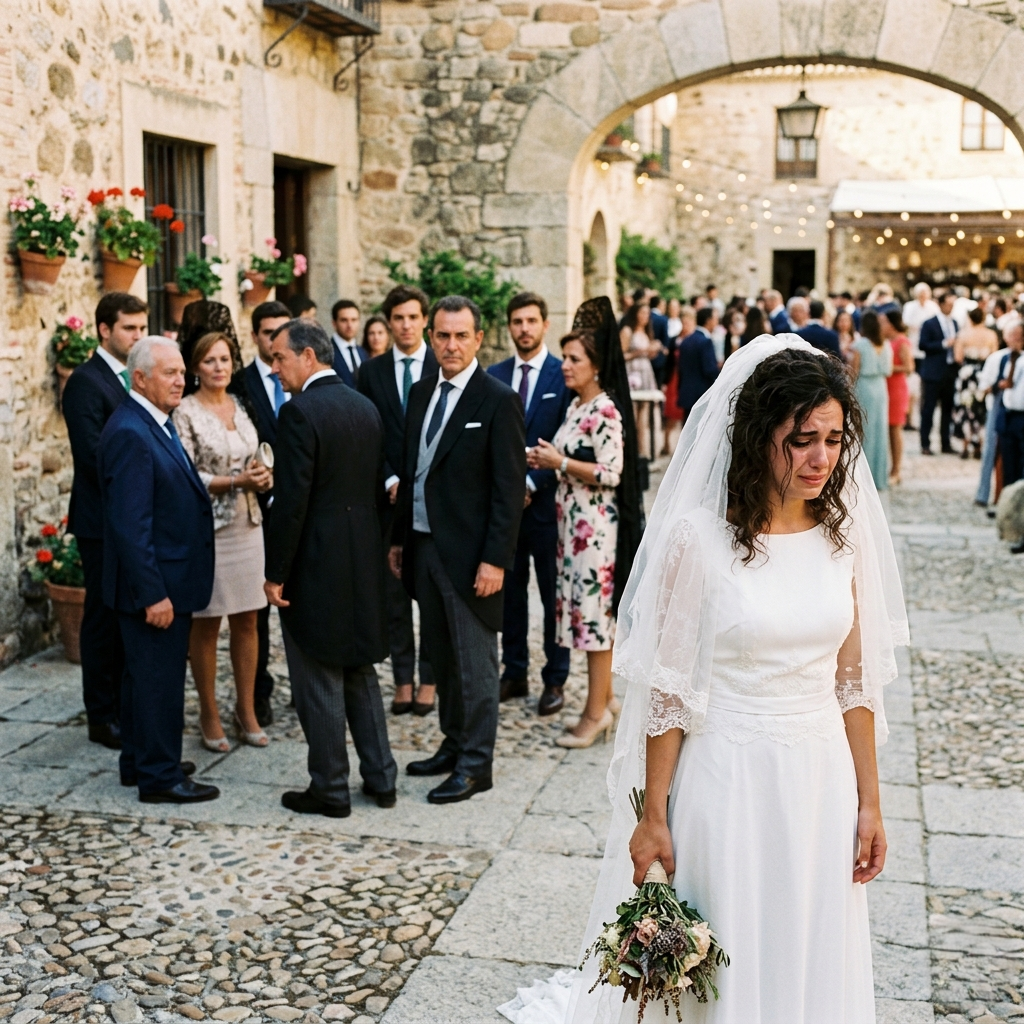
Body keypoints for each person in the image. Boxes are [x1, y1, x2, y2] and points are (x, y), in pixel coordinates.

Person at [558, 338, 907, 1024]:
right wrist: (653, 817)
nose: (822, 459)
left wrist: (870, 803)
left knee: (807, 947)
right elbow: (669, 695)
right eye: (802, 440)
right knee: (729, 958)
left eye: (834, 440)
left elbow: (855, 687)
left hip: (820, 782)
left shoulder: (843, 539)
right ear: (758, 437)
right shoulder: (698, 539)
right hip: (727, 782)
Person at [389, 296, 526, 804]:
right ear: (431, 337)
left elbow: (508, 489)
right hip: (424, 546)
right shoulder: (422, 392)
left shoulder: (497, 399)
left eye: (461, 336)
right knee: (441, 656)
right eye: (443, 335)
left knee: (475, 665)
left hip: (471, 557)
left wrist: (495, 560)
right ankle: (452, 742)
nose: (451, 345)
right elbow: (412, 471)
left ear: (478, 339)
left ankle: (476, 763)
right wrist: (399, 539)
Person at [265, 318, 397, 817]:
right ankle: (382, 778)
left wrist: (276, 572)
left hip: (316, 565)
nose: (275, 368)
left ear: (308, 356)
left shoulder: (299, 412)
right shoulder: (364, 406)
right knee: (359, 670)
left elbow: (291, 503)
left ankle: (330, 788)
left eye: (280, 358)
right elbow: (376, 492)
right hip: (361, 560)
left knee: (317, 676)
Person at [97, 337, 218, 804]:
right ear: (140, 378)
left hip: (166, 578)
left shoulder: (153, 422)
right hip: (154, 586)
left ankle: (140, 759)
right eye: (170, 372)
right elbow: (131, 525)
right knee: (158, 681)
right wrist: (153, 593)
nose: (181, 380)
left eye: (182, 371)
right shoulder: (131, 431)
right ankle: (160, 776)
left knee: (141, 679)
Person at [526, 301, 641, 748]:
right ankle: (606, 699)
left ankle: (594, 715)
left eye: (574, 359)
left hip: (596, 533)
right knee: (585, 616)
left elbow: (612, 472)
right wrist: (547, 460)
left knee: (594, 623)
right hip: (573, 530)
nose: (565, 365)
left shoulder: (606, 410)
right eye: (565, 357)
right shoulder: (578, 405)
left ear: (596, 365)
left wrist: (560, 462)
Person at [173, 332, 273, 752]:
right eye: (210, 360)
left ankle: (245, 709)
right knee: (207, 622)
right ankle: (209, 713)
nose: (220, 367)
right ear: (196, 367)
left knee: (249, 619)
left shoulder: (240, 404)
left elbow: (255, 454)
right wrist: (235, 482)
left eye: (226, 359)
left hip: (249, 525)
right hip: (208, 530)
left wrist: (263, 476)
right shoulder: (185, 412)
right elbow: (183, 474)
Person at [62, 292, 148, 751]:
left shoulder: (138, 377)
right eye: (129, 328)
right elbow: (93, 455)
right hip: (101, 520)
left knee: (127, 615)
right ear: (104, 330)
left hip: (133, 516)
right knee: (101, 617)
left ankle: (127, 705)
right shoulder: (85, 382)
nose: (138, 336)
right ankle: (101, 715)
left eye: (142, 328)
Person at [488, 292, 572, 716]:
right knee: (510, 593)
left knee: (554, 594)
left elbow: (568, 439)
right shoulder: (494, 375)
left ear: (545, 324)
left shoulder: (564, 375)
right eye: (517, 321)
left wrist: (531, 482)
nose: (524, 328)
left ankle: (555, 678)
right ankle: (514, 670)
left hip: (548, 505)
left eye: (531, 321)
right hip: (505, 508)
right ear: (509, 327)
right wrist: (507, 487)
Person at [358, 285, 438, 715]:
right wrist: (389, 477)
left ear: (424, 320)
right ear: (388, 323)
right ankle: (402, 679)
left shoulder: (441, 364)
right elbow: (367, 433)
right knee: (393, 595)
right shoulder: (370, 372)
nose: (406, 325)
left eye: (413, 317)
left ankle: (430, 679)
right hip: (387, 500)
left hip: (433, 501)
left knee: (431, 592)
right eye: (398, 318)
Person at [243, 300, 292, 727]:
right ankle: (258, 692)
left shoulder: (304, 380)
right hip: (255, 513)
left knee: (301, 603)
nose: (274, 339)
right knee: (255, 612)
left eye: (282, 331)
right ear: (254, 334)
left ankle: (308, 684)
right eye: (266, 332)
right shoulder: (239, 384)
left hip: (300, 511)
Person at [976, 323, 1022, 509]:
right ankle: (983, 493)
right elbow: (983, 386)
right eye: (1012, 335)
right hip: (997, 406)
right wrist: (997, 386)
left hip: (1017, 411)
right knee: (990, 449)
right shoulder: (997, 358)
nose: (1016, 339)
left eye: (1019, 335)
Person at [850, 310, 893, 491]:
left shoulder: (860, 345)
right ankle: (879, 476)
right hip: (881, 387)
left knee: (864, 430)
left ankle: (864, 477)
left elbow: (854, 371)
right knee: (880, 431)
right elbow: (889, 370)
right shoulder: (886, 345)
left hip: (864, 386)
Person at [952, 307, 999, 460]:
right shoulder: (991, 335)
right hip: (983, 374)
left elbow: (958, 357)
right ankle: (979, 445)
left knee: (966, 408)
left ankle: (965, 445)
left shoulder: (963, 334)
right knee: (980, 409)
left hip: (967, 375)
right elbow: (994, 356)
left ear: (970, 319)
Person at [919, 290, 960, 455]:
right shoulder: (929, 323)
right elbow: (923, 345)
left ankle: (945, 442)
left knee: (947, 409)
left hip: (950, 371)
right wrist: (943, 344)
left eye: (953, 305)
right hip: (933, 372)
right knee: (929, 409)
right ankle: (925, 443)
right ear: (941, 304)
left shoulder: (955, 323)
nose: (951, 308)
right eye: (948, 304)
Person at [881, 309, 914, 486]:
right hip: (885, 386)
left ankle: (896, 469)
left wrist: (887, 367)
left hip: (897, 388)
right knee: (886, 429)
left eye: (884, 322)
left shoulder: (902, 341)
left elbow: (909, 367)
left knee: (895, 429)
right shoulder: (886, 340)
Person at [676, 307, 719, 418]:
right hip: (701, 393)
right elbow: (709, 369)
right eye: (715, 319)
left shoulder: (686, 340)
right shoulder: (706, 341)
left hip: (687, 391)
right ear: (708, 320)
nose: (717, 322)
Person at [996, 328, 1024, 491]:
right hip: (1008, 414)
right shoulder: (1010, 358)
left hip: (1022, 415)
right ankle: (1009, 497)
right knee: (1009, 462)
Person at [330, 299, 365, 387]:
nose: (349, 325)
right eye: (344, 320)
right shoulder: (326, 352)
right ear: (334, 323)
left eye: (354, 320)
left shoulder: (363, 352)